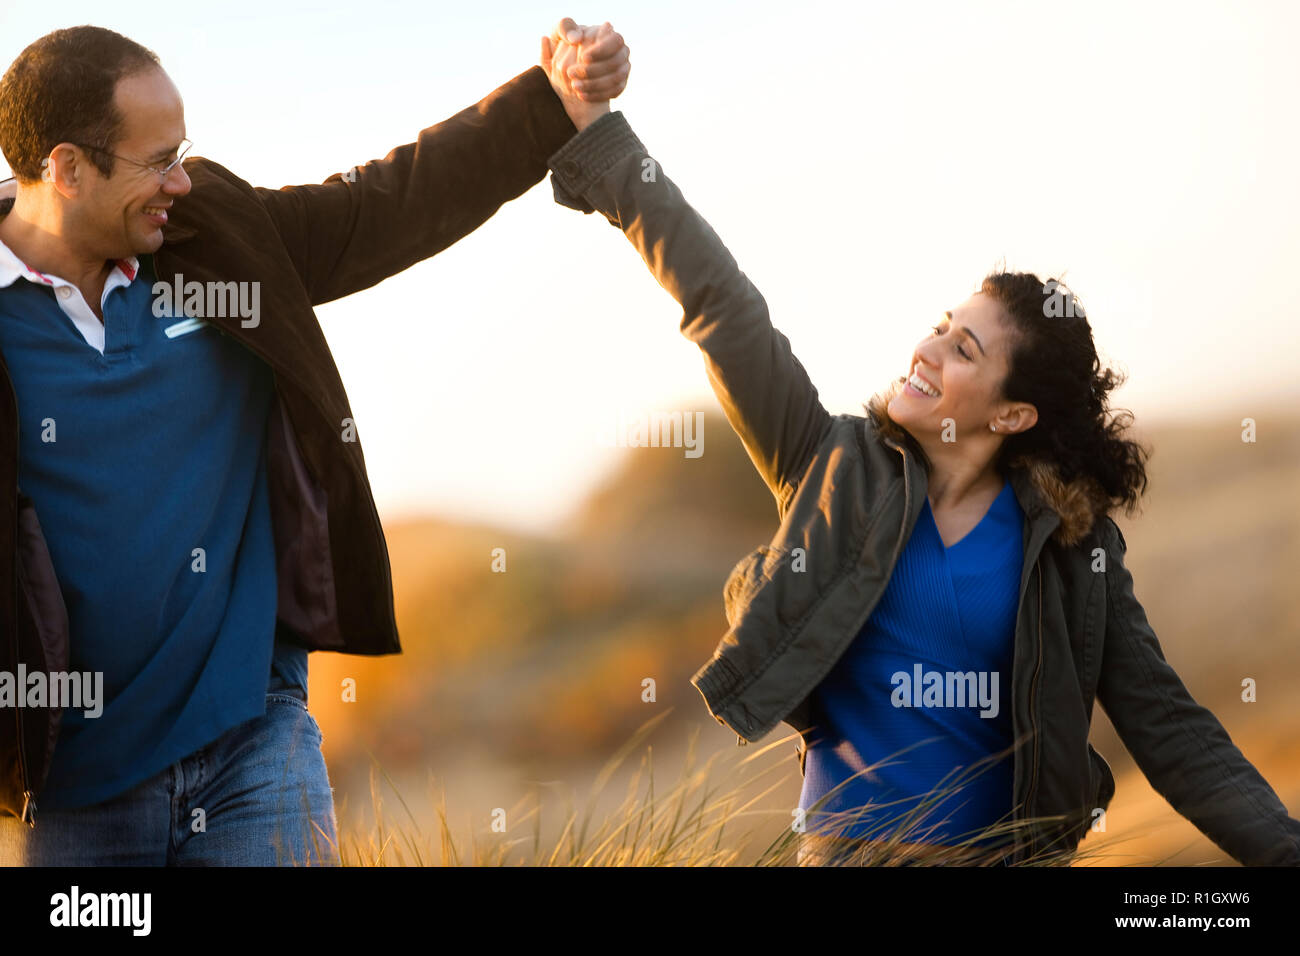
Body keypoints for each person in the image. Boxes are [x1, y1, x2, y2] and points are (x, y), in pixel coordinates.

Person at [542, 37, 1300, 866]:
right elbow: (724, 306)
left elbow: (1171, 728)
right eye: (942, 325)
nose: (928, 350)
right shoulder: (829, 465)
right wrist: (603, 140)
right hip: (842, 854)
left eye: (965, 350)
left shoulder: (1071, 548)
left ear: (1013, 415)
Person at [0, 19, 629, 866]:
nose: (180, 180)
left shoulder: (209, 236)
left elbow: (380, 205)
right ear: (67, 168)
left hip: (251, 741)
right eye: (157, 161)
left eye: (183, 152)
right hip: (72, 795)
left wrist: (549, 102)